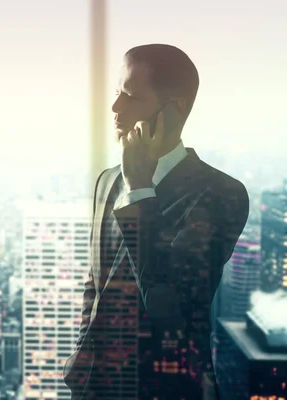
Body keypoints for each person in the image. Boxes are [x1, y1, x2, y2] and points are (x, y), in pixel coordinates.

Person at [63, 44, 249, 399]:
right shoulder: (106, 180)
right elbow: (96, 284)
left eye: (130, 97)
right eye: (117, 93)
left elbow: (169, 305)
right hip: (92, 385)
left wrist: (140, 189)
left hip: (164, 387)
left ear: (174, 109)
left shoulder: (220, 193)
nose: (115, 108)